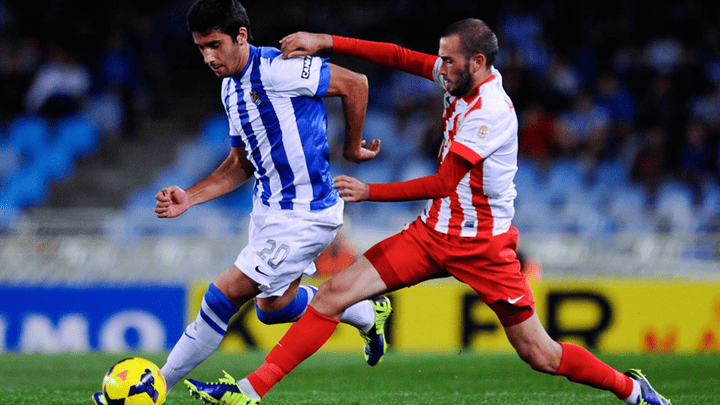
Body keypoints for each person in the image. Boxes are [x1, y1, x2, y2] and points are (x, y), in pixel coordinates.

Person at [183, 19, 673, 405]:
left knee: (540, 355)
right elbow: (395, 57)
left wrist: (369, 191)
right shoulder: (458, 79)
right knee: (333, 294)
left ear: (477, 62)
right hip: (432, 233)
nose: (439, 67)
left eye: (448, 61)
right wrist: (323, 38)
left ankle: (632, 391)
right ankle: (251, 391)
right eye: (440, 57)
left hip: (483, 246)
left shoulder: (492, 112)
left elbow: (443, 182)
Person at [91, 0, 393, 404]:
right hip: (268, 211)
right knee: (273, 308)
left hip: (307, 212)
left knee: (222, 295)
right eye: (201, 48)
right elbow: (239, 164)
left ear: (242, 36)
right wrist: (190, 197)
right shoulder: (229, 87)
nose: (208, 57)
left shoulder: (281, 68)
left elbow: (356, 83)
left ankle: (155, 385)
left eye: (215, 44)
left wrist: (353, 148)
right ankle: (365, 313)